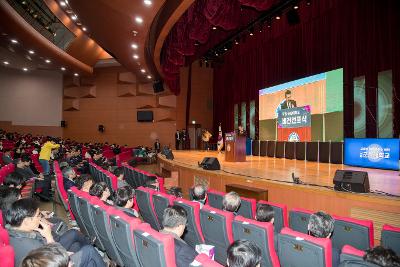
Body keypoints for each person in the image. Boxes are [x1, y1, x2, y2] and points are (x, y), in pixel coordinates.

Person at [5, 199, 104, 267]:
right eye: (38, 215)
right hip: (53, 260)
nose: (40, 217)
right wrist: (48, 236)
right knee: (89, 250)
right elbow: (53, 259)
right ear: (27, 221)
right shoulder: (29, 245)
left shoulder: (14, 231)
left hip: (49, 256)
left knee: (78, 246)